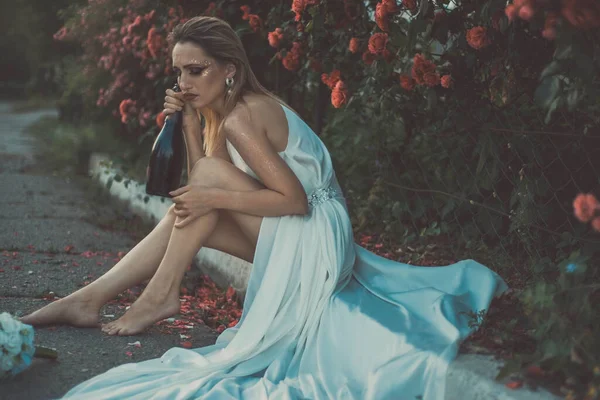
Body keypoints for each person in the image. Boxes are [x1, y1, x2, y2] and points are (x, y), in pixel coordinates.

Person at [22, 16, 508, 400]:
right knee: (192, 204)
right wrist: (190, 127)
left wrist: (211, 192)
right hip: (297, 232)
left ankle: (148, 294)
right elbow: (203, 184)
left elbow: (292, 199)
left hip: (314, 233)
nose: (184, 81)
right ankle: (99, 298)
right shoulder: (225, 113)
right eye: (178, 71)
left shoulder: (243, 116)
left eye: (197, 70)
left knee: (202, 195)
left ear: (229, 68)